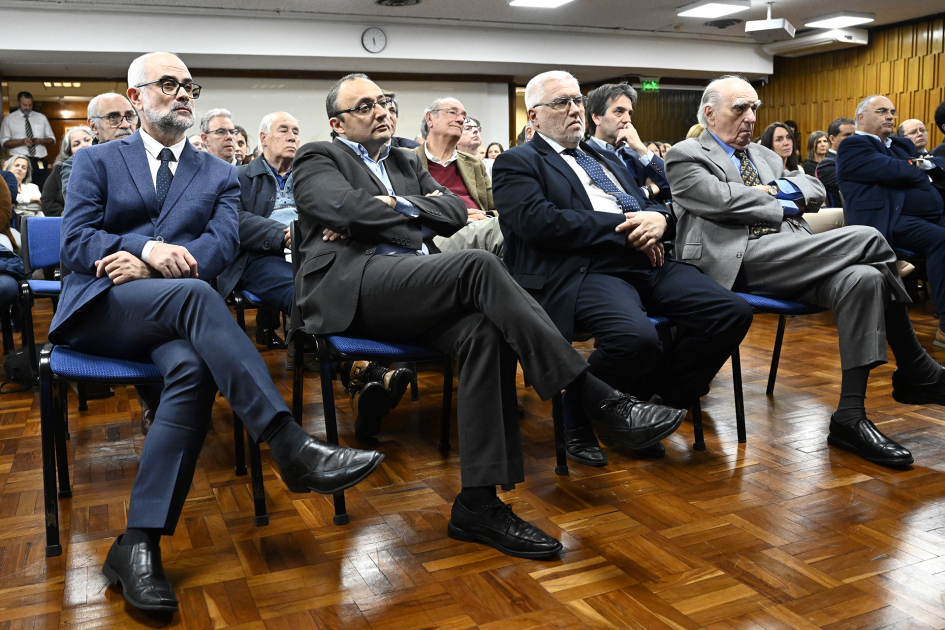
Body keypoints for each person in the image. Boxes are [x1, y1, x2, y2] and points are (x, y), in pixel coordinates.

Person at [294, 72, 687, 560]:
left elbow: (453, 213)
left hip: (413, 285)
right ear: (337, 124)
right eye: (365, 106)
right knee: (480, 263)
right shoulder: (318, 155)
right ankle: (592, 394)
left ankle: (478, 503)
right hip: (352, 288)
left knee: (485, 330)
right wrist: (406, 215)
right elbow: (340, 208)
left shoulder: (402, 158)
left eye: (385, 101)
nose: (381, 111)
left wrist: (392, 204)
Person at [53, 52, 384, 613]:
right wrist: (144, 249)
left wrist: (158, 267)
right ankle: (289, 445)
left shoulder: (219, 173)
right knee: (198, 296)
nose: (182, 93)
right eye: (167, 84)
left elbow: (223, 245)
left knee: (191, 368)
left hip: (173, 309)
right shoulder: (100, 160)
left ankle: (139, 544)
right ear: (135, 97)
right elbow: (76, 241)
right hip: (103, 308)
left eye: (189, 85)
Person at [666, 75, 945, 469]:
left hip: (794, 252)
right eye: (739, 108)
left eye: (754, 109)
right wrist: (780, 198)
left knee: (863, 278)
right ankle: (915, 363)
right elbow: (722, 202)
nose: (750, 117)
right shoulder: (686, 153)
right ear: (709, 113)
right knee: (867, 237)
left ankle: (849, 417)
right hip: (737, 260)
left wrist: (773, 193)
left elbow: (814, 190)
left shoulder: (763, 155)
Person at [494, 70, 752, 465]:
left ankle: (643, 402)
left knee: (731, 313)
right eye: (562, 102)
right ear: (534, 116)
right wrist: (627, 230)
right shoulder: (518, 161)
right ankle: (579, 412)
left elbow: (647, 201)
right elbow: (538, 222)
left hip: (647, 261)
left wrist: (660, 220)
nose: (575, 109)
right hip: (585, 269)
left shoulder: (602, 155)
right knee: (636, 340)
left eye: (578, 100)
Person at [837, 94, 945, 348]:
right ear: (861, 118)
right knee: (942, 241)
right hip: (888, 221)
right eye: (882, 111)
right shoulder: (852, 146)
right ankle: (944, 326)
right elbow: (895, 170)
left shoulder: (900, 145)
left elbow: (935, 163)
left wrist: (918, 165)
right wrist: (915, 167)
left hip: (923, 217)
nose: (889, 116)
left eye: (892, 112)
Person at [411, 97, 503, 256]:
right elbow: (405, 208)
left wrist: (485, 216)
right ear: (430, 119)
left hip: (481, 227)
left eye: (463, 116)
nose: (461, 120)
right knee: (512, 231)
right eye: (452, 113)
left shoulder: (473, 164)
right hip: (438, 234)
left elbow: (495, 207)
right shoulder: (407, 160)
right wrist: (458, 214)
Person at [586, 83, 670, 203]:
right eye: (619, 111)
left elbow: (673, 188)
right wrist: (648, 191)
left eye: (629, 113)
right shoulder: (583, 155)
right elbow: (611, 200)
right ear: (596, 117)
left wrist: (641, 148)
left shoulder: (637, 155)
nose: (628, 120)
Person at [62, 92, 138, 199]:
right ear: (93, 126)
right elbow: (80, 205)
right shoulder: (76, 163)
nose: (126, 124)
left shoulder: (150, 154)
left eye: (129, 116)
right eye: (113, 117)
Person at [0, 92, 56, 190]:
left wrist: (41, 141)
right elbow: (4, 143)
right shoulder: (9, 119)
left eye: (30, 105)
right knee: (19, 187)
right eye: (24, 105)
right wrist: (22, 141)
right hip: (19, 161)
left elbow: (52, 140)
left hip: (39, 161)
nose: (27, 107)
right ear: (19, 102)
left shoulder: (41, 118)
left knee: (44, 188)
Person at [41, 126, 94, 217]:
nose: (84, 145)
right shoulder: (60, 169)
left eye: (87, 140)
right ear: (69, 152)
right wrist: (68, 216)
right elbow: (47, 201)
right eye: (76, 144)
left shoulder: (107, 164)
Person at [814, 117, 856, 207]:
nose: (853, 139)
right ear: (832, 139)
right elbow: (854, 187)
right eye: (847, 135)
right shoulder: (826, 165)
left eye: (855, 135)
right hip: (847, 214)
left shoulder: (858, 158)